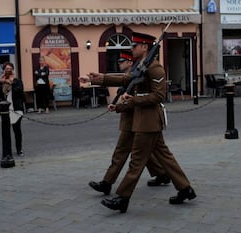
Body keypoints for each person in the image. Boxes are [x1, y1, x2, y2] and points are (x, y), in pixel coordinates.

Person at [84, 32, 196, 213]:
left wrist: (133, 100)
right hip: (144, 121)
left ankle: (122, 198)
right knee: (165, 157)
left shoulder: (155, 68)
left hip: (149, 121)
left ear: (144, 47)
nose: (131, 49)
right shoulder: (141, 66)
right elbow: (125, 79)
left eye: (134, 46)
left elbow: (159, 96)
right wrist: (98, 78)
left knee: (136, 161)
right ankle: (185, 189)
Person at [85, 51, 170, 196]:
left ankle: (109, 184)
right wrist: (94, 80)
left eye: (122, 61)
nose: (119, 63)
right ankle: (164, 175)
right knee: (151, 151)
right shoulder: (137, 71)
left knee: (126, 152)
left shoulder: (142, 72)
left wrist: (120, 106)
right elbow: (121, 81)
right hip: (136, 117)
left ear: (130, 62)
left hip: (137, 117)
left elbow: (143, 95)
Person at [0, 62, 24, 157]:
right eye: (6, 69)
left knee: (17, 130)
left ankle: (19, 149)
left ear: (12, 70)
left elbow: (19, 91)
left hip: (16, 109)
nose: (8, 70)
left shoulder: (17, 81)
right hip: (4, 110)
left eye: (10, 68)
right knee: (6, 131)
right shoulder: (1, 81)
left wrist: (12, 82)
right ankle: (7, 150)